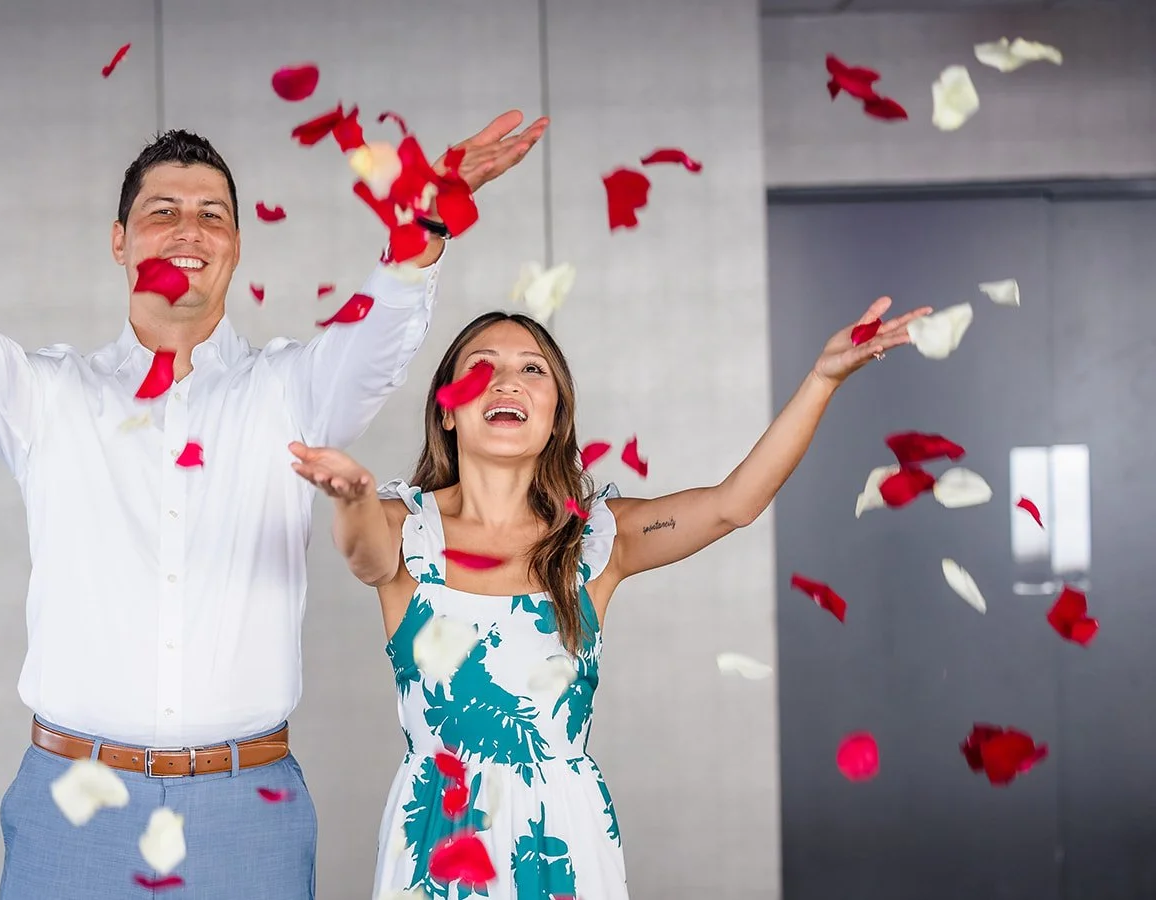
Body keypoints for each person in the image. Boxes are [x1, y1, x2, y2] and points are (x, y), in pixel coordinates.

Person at [0, 58, 547, 899]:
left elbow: (381, 335)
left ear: (237, 248)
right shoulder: (46, 398)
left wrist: (429, 217)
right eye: (163, 212)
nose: (189, 230)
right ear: (120, 241)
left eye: (212, 215)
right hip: (71, 806)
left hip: (246, 815)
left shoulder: (291, 390)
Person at [289, 301, 930, 899]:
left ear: (556, 413)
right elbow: (364, 555)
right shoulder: (408, 529)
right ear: (448, 410)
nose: (507, 382)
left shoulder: (600, 535)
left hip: (564, 837)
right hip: (437, 835)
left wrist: (822, 379)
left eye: (532, 370)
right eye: (482, 368)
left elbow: (734, 504)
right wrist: (351, 498)